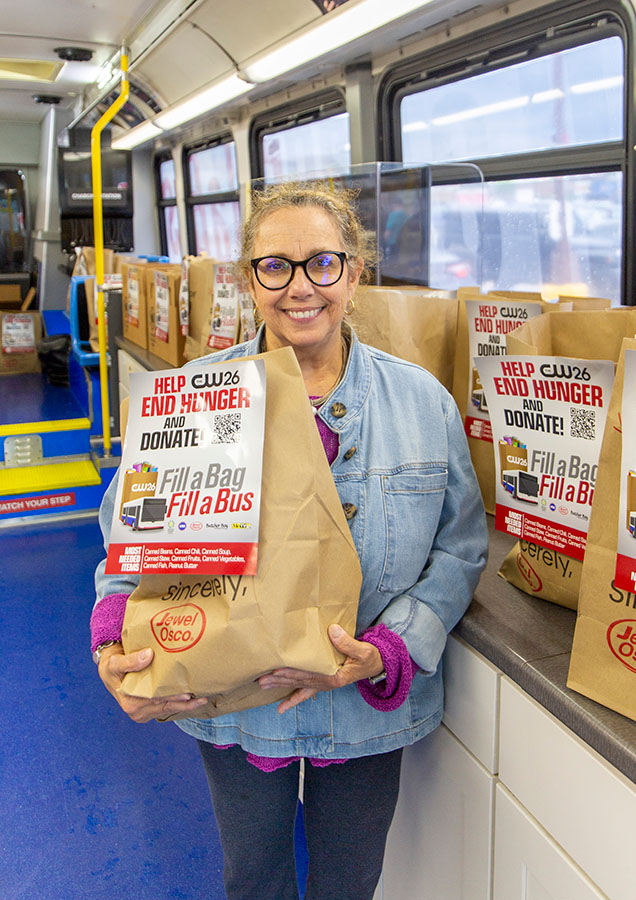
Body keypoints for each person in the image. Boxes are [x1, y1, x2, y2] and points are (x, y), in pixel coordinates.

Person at [92, 182, 488, 900]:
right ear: (249, 281)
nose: (300, 287)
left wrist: (392, 650)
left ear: (354, 273)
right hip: (235, 705)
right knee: (254, 879)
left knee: (349, 884)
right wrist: (113, 640)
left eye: (322, 264)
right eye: (275, 267)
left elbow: (459, 550)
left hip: (365, 708)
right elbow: (131, 546)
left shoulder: (423, 403)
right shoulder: (196, 396)